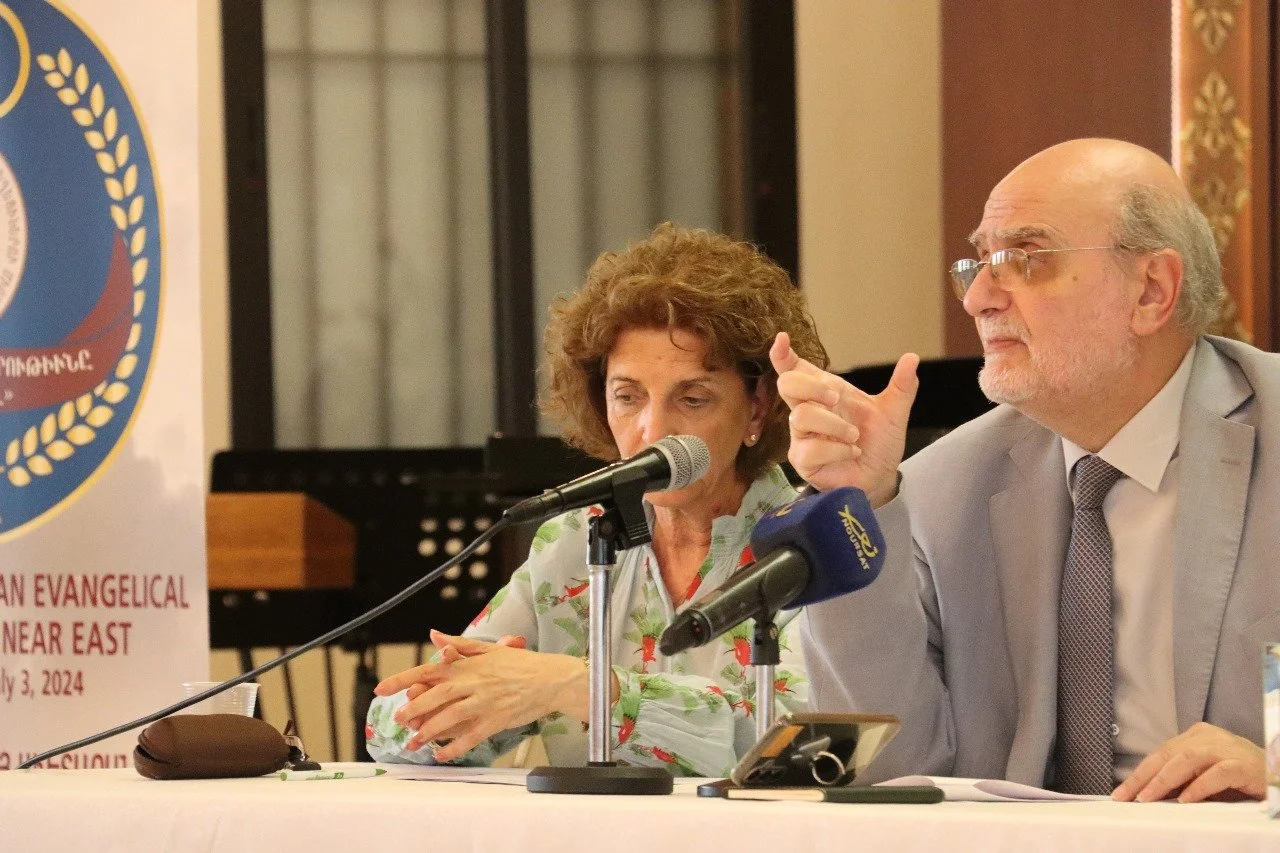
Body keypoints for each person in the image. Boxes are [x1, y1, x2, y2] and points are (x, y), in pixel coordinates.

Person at [770, 138, 1280, 803]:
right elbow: (892, 770)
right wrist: (857, 502)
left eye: (1024, 259)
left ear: (1152, 290)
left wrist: (1273, 767)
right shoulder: (943, 485)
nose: (978, 298)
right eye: (978, 264)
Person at [366, 223, 827, 777]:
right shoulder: (573, 539)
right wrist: (480, 701)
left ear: (758, 406)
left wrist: (574, 686)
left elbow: (802, 738)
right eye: (627, 397)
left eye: (693, 399)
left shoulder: (813, 546)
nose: (653, 430)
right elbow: (389, 727)